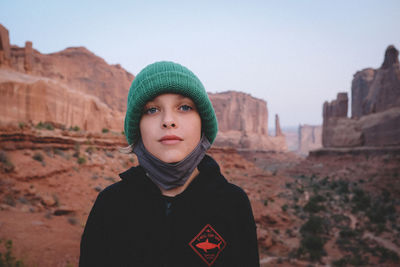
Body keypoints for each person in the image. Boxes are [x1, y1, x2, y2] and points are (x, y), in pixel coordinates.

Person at [79, 61, 259, 267]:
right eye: (152, 110)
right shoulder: (110, 205)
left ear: (203, 123)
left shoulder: (232, 204)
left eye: (184, 107)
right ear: (137, 128)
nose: (168, 121)